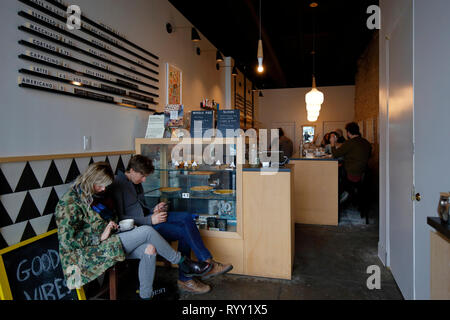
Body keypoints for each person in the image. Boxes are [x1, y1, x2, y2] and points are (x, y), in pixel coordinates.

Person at [55, 162, 212, 300]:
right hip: (89, 252)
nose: (103, 189)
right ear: (90, 179)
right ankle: (183, 263)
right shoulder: (69, 203)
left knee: (150, 249)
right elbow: (68, 242)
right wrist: (100, 236)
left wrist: (114, 226)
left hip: (111, 239)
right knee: (146, 231)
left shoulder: (92, 196)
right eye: (100, 185)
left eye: (105, 186)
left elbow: (104, 221)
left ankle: (145, 295)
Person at [108, 155, 233, 294]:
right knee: (184, 232)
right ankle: (188, 278)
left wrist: (153, 210)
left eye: (145, 176)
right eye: (142, 176)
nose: (144, 180)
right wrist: (150, 220)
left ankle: (206, 262)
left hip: (149, 219)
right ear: (131, 170)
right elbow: (121, 218)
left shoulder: (134, 182)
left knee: (186, 217)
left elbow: (139, 208)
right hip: (141, 228)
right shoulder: (118, 184)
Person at [330, 122, 372, 203]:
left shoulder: (350, 142)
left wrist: (332, 144)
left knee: (336, 174)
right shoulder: (366, 142)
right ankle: (347, 192)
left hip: (352, 173)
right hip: (364, 172)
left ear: (348, 133)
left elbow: (335, 154)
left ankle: (340, 197)